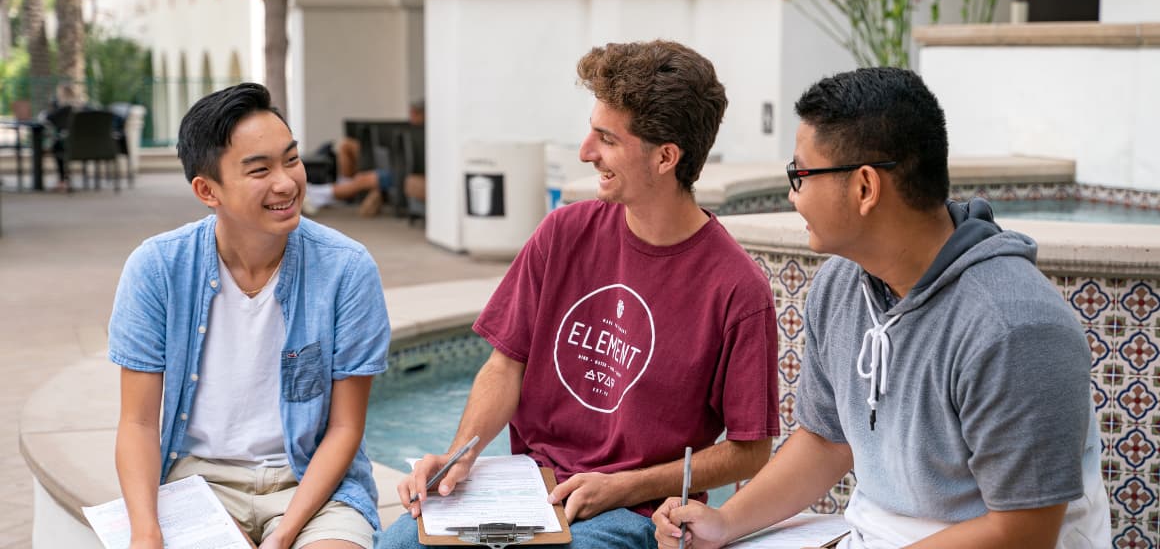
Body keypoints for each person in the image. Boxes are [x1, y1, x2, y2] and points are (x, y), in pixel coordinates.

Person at [653, 67, 1111, 549]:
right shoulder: (840, 286)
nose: (793, 194)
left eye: (801, 174)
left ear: (865, 188)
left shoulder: (1014, 326)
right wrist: (723, 523)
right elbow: (827, 442)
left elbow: (1023, 532)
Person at [375, 39, 780, 549]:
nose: (587, 152)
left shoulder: (738, 288)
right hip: (528, 488)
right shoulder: (563, 232)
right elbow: (505, 366)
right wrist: (460, 458)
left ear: (665, 157)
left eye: (606, 139)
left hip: (634, 513)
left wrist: (625, 485)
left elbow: (750, 449)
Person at [109, 82, 391, 549]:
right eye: (259, 170)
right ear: (207, 189)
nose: (286, 182)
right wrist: (146, 532)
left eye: (292, 159)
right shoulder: (157, 268)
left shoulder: (346, 268)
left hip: (313, 487)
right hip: (199, 484)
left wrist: (283, 535)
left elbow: (345, 427)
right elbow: (137, 423)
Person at [304, 102, 425, 218]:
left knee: (362, 179)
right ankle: (332, 192)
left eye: (415, 113)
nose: (411, 116)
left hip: (401, 172)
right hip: (394, 166)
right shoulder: (409, 132)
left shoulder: (423, 135)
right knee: (347, 146)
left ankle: (320, 195)